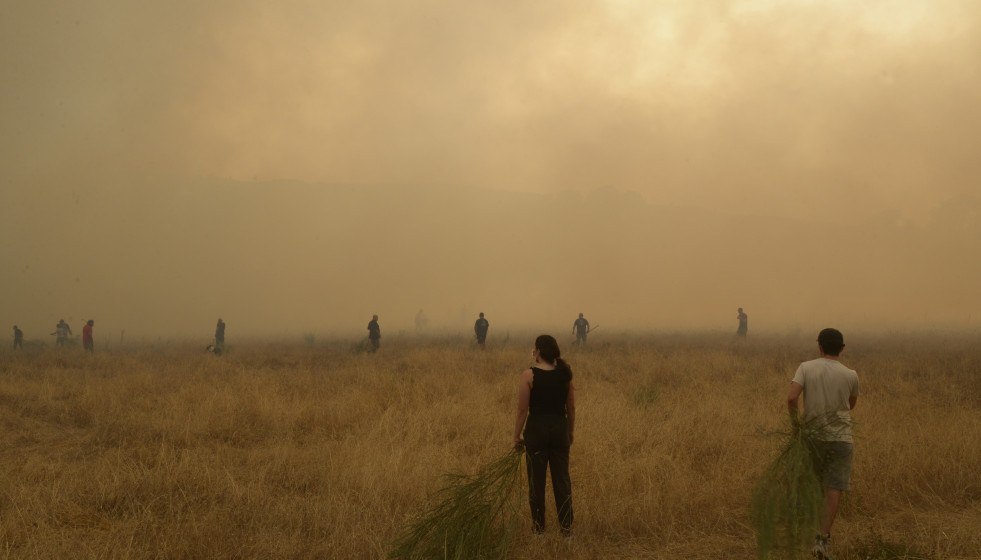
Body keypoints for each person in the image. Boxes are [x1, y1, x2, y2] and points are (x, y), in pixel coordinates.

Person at [786, 328, 859, 560]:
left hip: (812, 436)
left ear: (819, 346)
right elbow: (851, 404)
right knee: (833, 486)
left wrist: (796, 424)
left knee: (811, 482)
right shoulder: (851, 375)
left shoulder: (806, 367)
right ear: (842, 349)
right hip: (841, 439)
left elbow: (791, 397)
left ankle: (801, 528)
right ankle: (822, 539)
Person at [513, 335, 576, 539]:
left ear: (539, 351)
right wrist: (570, 431)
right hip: (559, 430)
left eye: (534, 348)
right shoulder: (565, 374)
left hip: (536, 432)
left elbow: (522, 410)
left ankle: (539, 530)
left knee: (536, 482)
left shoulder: (528, 376)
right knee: (562, 481)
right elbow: (571, 407)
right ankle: (566, 530)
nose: (533, 350)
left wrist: (516, 436)